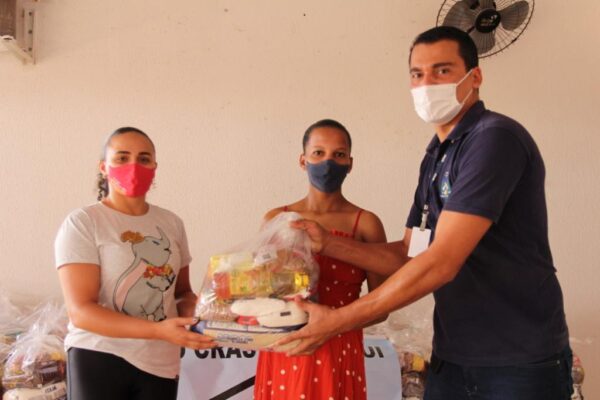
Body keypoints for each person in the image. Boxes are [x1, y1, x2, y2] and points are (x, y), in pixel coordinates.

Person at [280, 27, 572, 399]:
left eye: (442, 70)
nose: (427, 84)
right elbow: (409, 252)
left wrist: (337, 321)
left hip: (516, 361)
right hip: (453, 355)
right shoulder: (436, 155)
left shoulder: (494, 139)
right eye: (418, 74)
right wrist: (327, 244)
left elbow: (441, 261)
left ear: (475, 77)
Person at [54, 127, 216, 400]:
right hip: (100, 355)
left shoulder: (171, 223)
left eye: (143, 159)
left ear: (154, 167)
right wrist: (158, 331)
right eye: (122, 158)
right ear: (103, 167)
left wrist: (205, 314)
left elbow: (180, 293)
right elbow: (81, 311)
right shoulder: (84, 223)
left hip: (161, 362)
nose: (134, 166)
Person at [253, 119, 388, 400]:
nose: (328, 162)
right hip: (286, 346)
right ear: (303, 161)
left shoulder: (366, 223)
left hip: (339, 349)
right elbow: (258, 290)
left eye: (339, 154)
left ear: (350, 163)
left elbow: (383, 305)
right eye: (318, 153)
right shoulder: (277, 219)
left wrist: (336, 323)